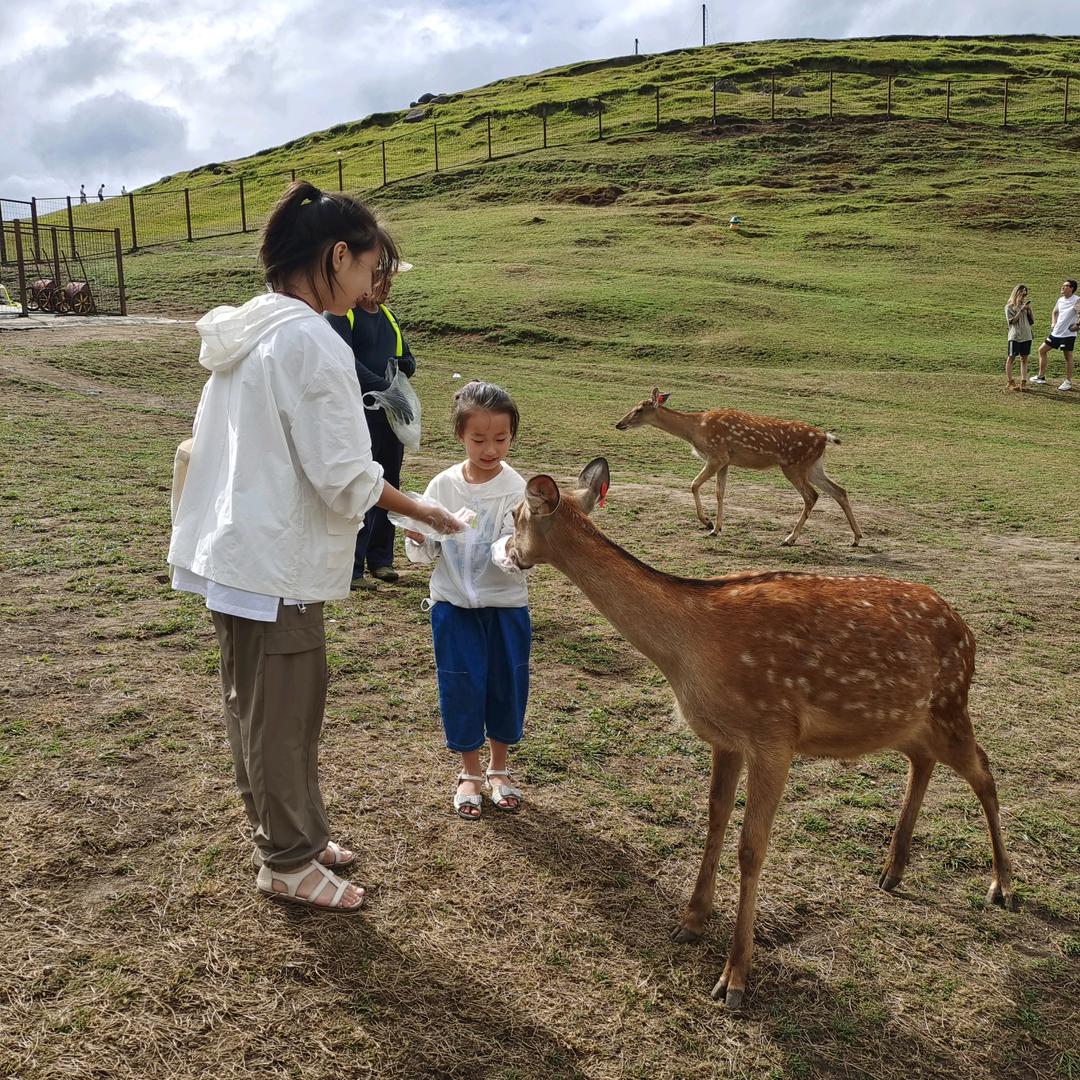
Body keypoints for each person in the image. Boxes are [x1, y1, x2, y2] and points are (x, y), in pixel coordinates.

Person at [168, 181, 463, 914]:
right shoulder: (309, 340)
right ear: (337, 257)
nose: (371, 285)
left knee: (265, 710)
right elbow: (343, 476)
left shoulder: (250, 331)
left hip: (239, 554)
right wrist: (418, 506)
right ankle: (286, 859)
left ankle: (296, 831)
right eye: (368, 268)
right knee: (283, 713)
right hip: (275, 564)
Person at [404, 381, 531, 820]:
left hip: (506, 607)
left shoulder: (518, 490)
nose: (490, 449)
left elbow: (516, 548)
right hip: (452, 605)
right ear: (461, 436)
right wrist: (421, 535)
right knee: (461, 683)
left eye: (501, 439)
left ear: (512, 436)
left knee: (505, 684)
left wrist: (512, 549)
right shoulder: (442, 485)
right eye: (479, 440)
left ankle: (499, 768)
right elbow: (427, 550)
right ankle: (470, 773)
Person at [326, 264, 416, 590]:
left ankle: (381, 560)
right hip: (358, 414)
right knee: (361, 483)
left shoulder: (389, 317)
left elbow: (407, 356)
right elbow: (346, 359)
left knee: (389, 481)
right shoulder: (341, 315)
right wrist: (383, 388)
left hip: (388, 416)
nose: (386, 286)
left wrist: (405, 366)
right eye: (381, 278)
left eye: (389, 280)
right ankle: (352, 567)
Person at [1031, 278, 1078, 391]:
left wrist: (1078, 326)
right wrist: (1053, 322)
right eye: (1062, 285)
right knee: (1042, 350)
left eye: (1065, 286)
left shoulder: (1077, 300)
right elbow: (1055, 311)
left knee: (1067, 356)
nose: (1062, 287)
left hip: (1068, 334)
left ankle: (1068, 381)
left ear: (1072, 288)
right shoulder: (1060, 300)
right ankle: (1041, 377)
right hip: (1056, 332)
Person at [1004, 284, 1034, 391]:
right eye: (1021, 295)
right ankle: (1010, 382)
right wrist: (1021, 310)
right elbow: (1011, 321)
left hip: (1027, 335)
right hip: (1015, 336)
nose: (1023, 298)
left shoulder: (1025, 307)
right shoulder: (1009, 307)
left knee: (1024, 359)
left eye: (1025, 295)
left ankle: (1023, 381)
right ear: (1016, 294)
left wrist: (1029, 310)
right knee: (1011, 358)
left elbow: (1031, 322)